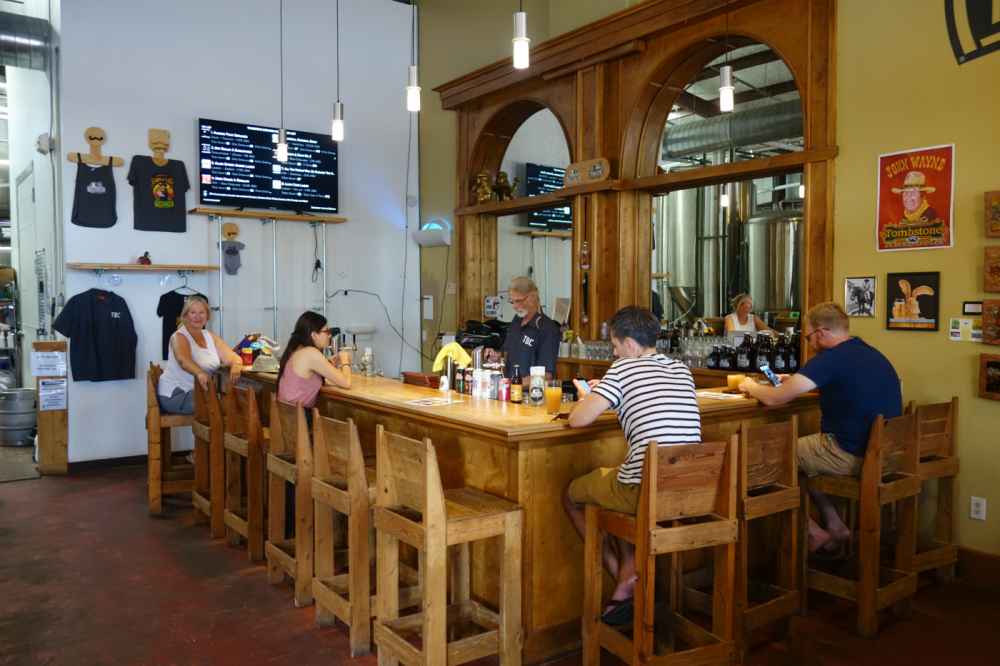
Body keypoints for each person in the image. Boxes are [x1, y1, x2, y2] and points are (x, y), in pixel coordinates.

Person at [561, 306, 701, 625]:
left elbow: (578, 419)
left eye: (615, 345)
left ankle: (624, 580)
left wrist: (586, 395)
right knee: (619, 478)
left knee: (570, 496)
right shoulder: (682, 369)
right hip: (688, 490)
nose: (613, 352)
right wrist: (607, 391)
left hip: (645, 492)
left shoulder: (622, 369)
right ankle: (628, 574)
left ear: (629, 344)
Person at [738, 301, 901, 554]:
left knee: (760, 459)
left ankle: (812, 531)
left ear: (821, 332)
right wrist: (797, 381)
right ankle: (835, 526)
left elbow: (772, 399)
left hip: (849, 455)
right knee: (802, 459)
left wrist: (750, 386)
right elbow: (848, 384)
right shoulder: (870, 352)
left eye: (809, 337)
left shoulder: (830, 358)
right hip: (886, 454)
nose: (810, 344)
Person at [157, 295, 243, 415]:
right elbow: (183, 360)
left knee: (237, 400)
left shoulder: (210, 336)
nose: (198, 316)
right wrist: (200, 373)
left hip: (199, 391)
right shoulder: (179, 336)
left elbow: (231, 356)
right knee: (231, 404)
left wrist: (236, 364)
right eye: (193, 312)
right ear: (185, 316)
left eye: (202, 312)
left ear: (207, 316)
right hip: (177, 393)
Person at [486, 276, 559, 386]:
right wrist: (498, 358)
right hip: (511, 391)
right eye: (512, 301)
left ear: (532, 296)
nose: (514, 306)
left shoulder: (547, 329)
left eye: (519, 301)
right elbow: (508, 354)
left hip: (531, 394)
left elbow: (546, 375)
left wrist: (513, 385)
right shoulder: (517, 320)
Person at [276, 311, 352, 411]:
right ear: (314, 335)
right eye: (327, 331)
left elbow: (307, 371)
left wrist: (327, 362)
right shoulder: (310, 353)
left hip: (288, 416)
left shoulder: (297, 350)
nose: (330, 335)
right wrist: (345, 361)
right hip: (300, 417)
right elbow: (347, 383)